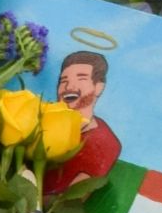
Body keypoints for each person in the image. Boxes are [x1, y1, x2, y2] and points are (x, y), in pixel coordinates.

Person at [45, 50, 122, 193]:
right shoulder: (44, 119)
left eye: (81, 79)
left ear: (98, 87)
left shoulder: (104, 143)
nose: (69, 87)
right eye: (63, 81)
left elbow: (71, 199)